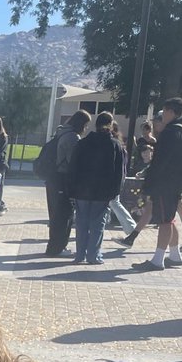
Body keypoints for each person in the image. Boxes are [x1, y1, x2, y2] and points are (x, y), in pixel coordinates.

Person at [135, 98, 182, 271]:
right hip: (177, 182)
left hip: (165, 183)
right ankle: (174, 255)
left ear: (171, 111)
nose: (162, 115)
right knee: (169, 218)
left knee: (164, 220)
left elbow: (160, 162)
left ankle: (158, 260)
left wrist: (149, 184)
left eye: (164, 111)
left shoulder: (170, 133)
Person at [68, 111, 126, 265]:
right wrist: (115, 191)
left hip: (82, 190)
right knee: (97, 224)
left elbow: (73, 167)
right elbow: (120, 172)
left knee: (81, 223)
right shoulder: (114, 145)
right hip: (102, 192)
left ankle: (79, 254)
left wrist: (72, 189)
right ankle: (94, 255)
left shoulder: (83, 143)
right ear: (111, 124)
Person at [45, 110, 90, 257]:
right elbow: (73, 162)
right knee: (64, 215)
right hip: (63, 179)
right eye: (86, 125)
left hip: (53, 178)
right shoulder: (72, 137)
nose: (86, 128)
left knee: (55, 214)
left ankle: (54, 246)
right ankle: (58, 247)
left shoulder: (61, 132)